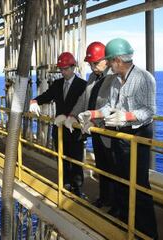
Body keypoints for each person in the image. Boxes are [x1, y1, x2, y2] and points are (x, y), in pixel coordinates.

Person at [78, 38, 158, 239]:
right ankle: (125, 222)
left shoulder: (144, 78)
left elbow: (149, 111)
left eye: (109, 61)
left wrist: (127, 116)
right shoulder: (114, 80)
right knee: (121, 180)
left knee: (138, 184)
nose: (108, 65)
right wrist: (93, 114)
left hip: (137, 135)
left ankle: (147, 232)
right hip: (119, 135)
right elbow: (110, 107)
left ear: (117, 60)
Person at [64, 42, 117, 208]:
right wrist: (72, 115)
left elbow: (112, 106)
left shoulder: (115, 77)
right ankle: (104, 198)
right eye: (90, 64)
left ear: (106, 60)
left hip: (110, 132)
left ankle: (118, 206)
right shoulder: (93, 77)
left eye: (95, 63)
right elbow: (84, 99)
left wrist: (94, 120)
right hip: (95, 131)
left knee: (114, 170)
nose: (92, 67)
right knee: (101, 166)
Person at [29, 52, 86, 196]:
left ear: (73, 67)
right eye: (61, 69)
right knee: (62, 158)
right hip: (60, 128)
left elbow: (85, 106)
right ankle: (65, 183)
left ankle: (77, 188)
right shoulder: (58, 84)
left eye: (66, 68)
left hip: (75, 129)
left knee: (76, 160)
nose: (63, 72)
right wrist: (34, 101)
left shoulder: (83, 86)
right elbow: (47, 96)